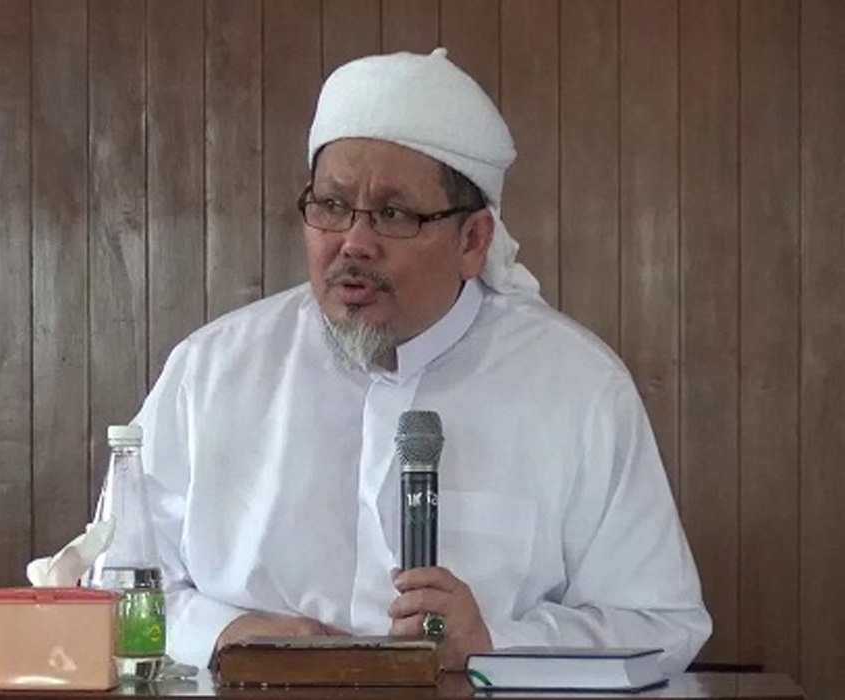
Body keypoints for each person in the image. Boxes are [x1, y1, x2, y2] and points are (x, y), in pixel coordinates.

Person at [130, 49, 711, 674]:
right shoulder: (210, 372)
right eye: (331, 207)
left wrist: (496, 645)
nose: (354, 243)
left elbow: (663, 626)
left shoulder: (578, 388)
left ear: (473, 240)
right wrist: (227, 633)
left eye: (394, 215)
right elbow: (112, 582)